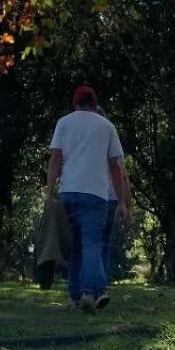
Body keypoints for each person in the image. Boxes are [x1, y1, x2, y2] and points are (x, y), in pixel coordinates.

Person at [46, 84, 131, 312]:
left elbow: (55, 159)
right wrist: (122, 202)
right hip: (95, 193)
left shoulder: (64, 123)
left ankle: (75, 295)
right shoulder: (107, 126)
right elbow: (116, 167)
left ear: (75, 103)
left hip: (69, 191)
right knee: (92, 243)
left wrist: (48, 190)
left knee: (74, 246)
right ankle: (92, 291)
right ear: (95, 104)